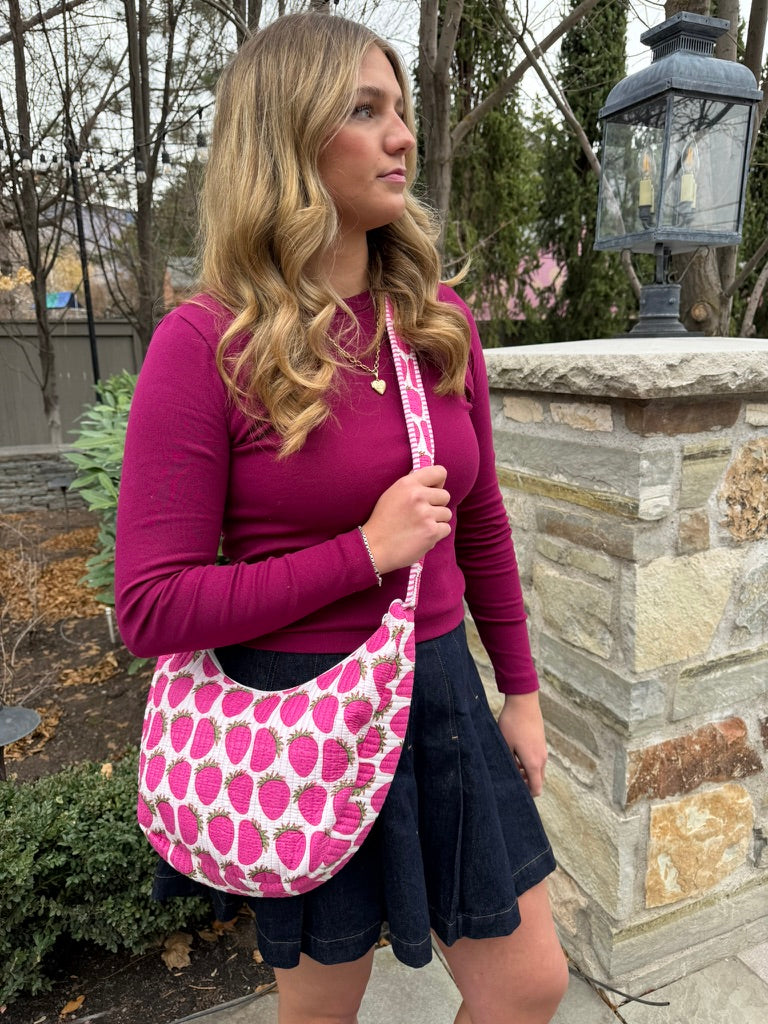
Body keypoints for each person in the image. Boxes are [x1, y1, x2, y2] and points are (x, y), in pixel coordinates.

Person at [115, 11, 568, 1024]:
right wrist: (362, 553)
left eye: (399, 108)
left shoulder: (435, 320)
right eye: (365, 111)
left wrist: (522, 693)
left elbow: (481, 518)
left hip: (440, 693)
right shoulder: (208, 343)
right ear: (287, 138)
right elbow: (151, 606)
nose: (403, 135)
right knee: (326, 1005)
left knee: (528, 984)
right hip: (302, 716)